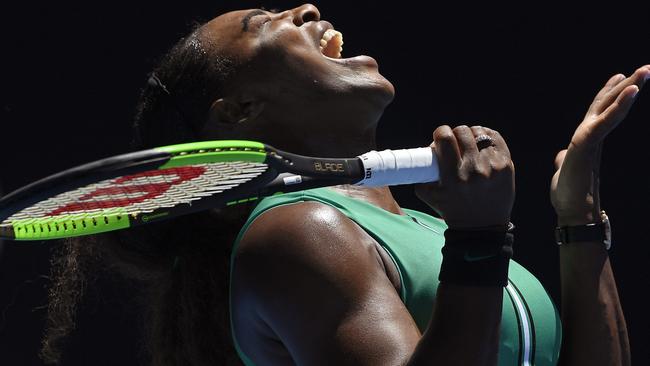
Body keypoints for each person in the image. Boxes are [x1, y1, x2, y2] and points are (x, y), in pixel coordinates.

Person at [40, 4, 645, 366]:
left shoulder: (424, 228)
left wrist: (580, 219)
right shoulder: (298, 231)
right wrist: (480, 239)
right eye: (263, 23)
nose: (305, 9)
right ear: (242, 110)